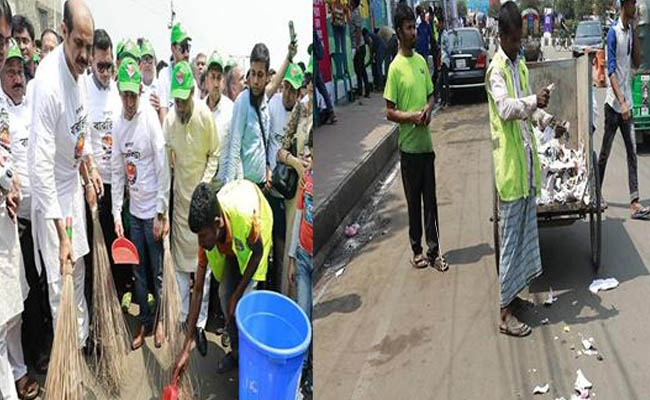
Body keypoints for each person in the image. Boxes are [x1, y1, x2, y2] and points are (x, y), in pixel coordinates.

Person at [486, 1, 561, 336]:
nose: (519, 46)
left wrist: (548, 119)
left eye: (521, 40)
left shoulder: (519, 67)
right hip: (511, 171)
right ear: (501, 37)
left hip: (526, 168)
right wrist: (534, 103)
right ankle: (504, 314)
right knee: (511, 244)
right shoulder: (496, 71)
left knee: (523, 240)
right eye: (514, 40)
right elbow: (505, 108)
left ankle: (513, 298)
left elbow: (529, 108)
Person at [29, 0, 100, 350]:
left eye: (89, 46)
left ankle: (83, 340)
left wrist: (90, 168)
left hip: (72, 189)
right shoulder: (47, 82)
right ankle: (66, 353)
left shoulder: (80, 73)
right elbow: (40, 169)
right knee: (61, 279)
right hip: (53, 200)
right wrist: (62, 234)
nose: (85, 55)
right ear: (64, 33)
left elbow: (81, 128)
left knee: (80, 268)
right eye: (78, 45)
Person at [171, 180, 272, 379]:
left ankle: (251, 364)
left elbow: (257, 254)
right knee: (224, 294)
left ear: (217, 223)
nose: (199, 243)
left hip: (254, 237)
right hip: (231, 245)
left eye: (202, 236)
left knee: (244, 308)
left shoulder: (246, 219)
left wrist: (238, 295)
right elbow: (198, 290)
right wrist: (186, 347)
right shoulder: (208, 231)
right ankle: (236, 354)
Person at [384, 3, 448, 272]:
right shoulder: (395, 68)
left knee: (430, 203)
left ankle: (434, 252)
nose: (414, 32)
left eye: (414, 27)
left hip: (426, 147)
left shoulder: (421, 62)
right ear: (399, 31)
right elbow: (389, 111)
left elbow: (431, 95)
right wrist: (412, 117)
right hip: (409, 150)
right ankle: (417, 250)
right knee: (414, 204)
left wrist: (428, 109)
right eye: (409, 28)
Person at [162, 60, 219, 358]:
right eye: (177, 101)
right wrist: (163, 207)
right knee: (182, 269)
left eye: (185, 100)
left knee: (203, 271)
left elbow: (215, 154)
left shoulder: (205, 117)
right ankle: (184, 317)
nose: (181, 106)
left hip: (201, 204)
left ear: (193, 94)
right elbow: (164, 166)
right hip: (179, 203)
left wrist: (204, 185)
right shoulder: (170, 121)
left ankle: (200, 322)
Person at [111, 58, 169, 350]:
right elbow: (117, 170)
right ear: (119, 92)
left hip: (152, 215)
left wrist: (161, 212)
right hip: (133, 214)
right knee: (138, 273)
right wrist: (115, 212)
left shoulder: (149, 120)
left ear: (139, 93)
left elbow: (162, 168)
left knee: (157, 275)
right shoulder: (118, 124)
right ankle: (144, 322)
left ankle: (159, 320)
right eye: (126, 95)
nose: (131, 101)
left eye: (134, 94)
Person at [0, 31, 41, 400]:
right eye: (9, 70)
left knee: (28, 295)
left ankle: (28, 362)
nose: (16, 77)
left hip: (31, 217)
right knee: (8, 305)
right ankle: (14, 375)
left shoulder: (31, 105)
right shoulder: (1, 110)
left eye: (20, 70)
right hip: (11, 221)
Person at [84, 28, 125, 311]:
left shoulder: (118, 91)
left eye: (109, 65)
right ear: (90, 62)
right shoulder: (83, 91)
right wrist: (89, 179)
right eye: (100, 66)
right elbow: (81, 141)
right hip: (93, 185)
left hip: (117, 182)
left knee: (116, 245)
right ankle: (97, 302)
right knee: (93, 251)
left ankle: (117, 296)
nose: (106, 72)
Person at [599, 0, 650, 219]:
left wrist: (636, 30)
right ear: (626, 4)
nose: (635, 8)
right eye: (633, 4)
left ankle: (635, 202)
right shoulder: (613, 34)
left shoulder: (629, 32)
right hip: (614, 105)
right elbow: (610, 71)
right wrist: (622, 102)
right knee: (605, 153)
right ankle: (596, 193)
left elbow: (636, 62)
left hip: (626, 101)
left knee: (632, 153)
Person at [266, 62, 303, 292]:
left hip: (288, 195)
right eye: (286, 87)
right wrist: (267, 169)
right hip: (270, 186)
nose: (288, 94)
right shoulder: (273, 106)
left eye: (293, 90)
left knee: (282, 249)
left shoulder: (301, 113)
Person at [287, 166, 313, 398]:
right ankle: (302, 373)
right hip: (303, 257)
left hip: (314, 257)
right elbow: (298, 216)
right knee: (303, 317)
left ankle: (311, 379)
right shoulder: (306, 179)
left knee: (311, 318)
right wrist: (292, 259)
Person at [158, 22, 193, 123]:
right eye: (182, 48)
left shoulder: (191, 77)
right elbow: (163, 111)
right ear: (173, 49)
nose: (186, 53)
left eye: (188, 48)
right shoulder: (164, 75)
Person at [204, 50, 234, 158]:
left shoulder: (231, 110)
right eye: (212, 77)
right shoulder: (199, 109)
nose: (216, 84)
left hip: (223, 173)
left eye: (219, 77)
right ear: (207, 79)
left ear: (223, 81)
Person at [312, 30, 336, 124]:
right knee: (322, 87)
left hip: (314, 60)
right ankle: (330, 112)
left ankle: (317, 118)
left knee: (314, 89)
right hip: (316, 60)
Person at [139, 38, 165, 124]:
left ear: (154, 62)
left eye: (149, 60)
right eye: (144, 60)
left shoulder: (161, 85)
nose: (147, 64)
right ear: (140, 64)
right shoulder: (137, 87)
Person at [350, 0, 369, 98]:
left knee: (359, 69)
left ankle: (362, 91)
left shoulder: (356, 13)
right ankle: (364, 90)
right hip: (358, 45)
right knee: (361, 69)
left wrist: (357, 46)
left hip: (359, 46)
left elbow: (358, 30)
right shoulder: (354, 12)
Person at [326, 0, 350, 76]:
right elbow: (348, 15)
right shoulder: (344, 2)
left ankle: (339, 70)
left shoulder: (332, 3)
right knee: (343, 48)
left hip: (335, 25)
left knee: (337, 47)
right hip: (342, 25)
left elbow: (330, 12)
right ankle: (345, 69)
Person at [11, 15, 35, 82]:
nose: (21, 47)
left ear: (33, 45)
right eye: (17, 41)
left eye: (25, 41)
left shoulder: (42, 74)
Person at [362, 27, 387, 91]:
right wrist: (367, 64)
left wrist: (371, 53)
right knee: (376, 65)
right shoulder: (371, 35)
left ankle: (381, 86)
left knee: (378, 67)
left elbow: (370, 43)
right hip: (381, 47)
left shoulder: (367, 35)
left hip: (381, 48)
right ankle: (378, 84)